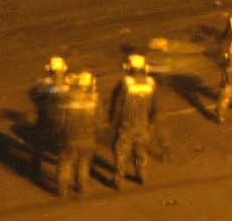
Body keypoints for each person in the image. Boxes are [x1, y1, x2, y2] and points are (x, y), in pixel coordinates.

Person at [106, 54, 159, 187]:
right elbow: (155, 106)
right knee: (141, 150)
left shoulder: (125, 83)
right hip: (143, 124)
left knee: (121, 151)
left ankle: (118, 179)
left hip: (127, 125)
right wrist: (151, 122)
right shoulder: (151, 83)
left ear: (129, 67)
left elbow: (117, 106)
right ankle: (142, 175)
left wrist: (112, 124)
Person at [54, 71, 99, 199]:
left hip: (69, 138)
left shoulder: (66, 98)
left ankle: (62, 190)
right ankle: (82, 188)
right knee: (83, 164)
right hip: (88, 139)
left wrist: (59, 134)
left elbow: (60, 121)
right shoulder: (93, 100)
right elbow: (98, 121)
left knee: (65, 163)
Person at [29, 56, 70, 185]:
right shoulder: (69, 84)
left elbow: (34, 95)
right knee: (64, 149)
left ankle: (35, 170)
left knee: (38, 145)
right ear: (64, 69)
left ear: (49, 69)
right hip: (64, 120)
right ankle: (64, 179)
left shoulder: (43, 84)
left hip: (45, 119)